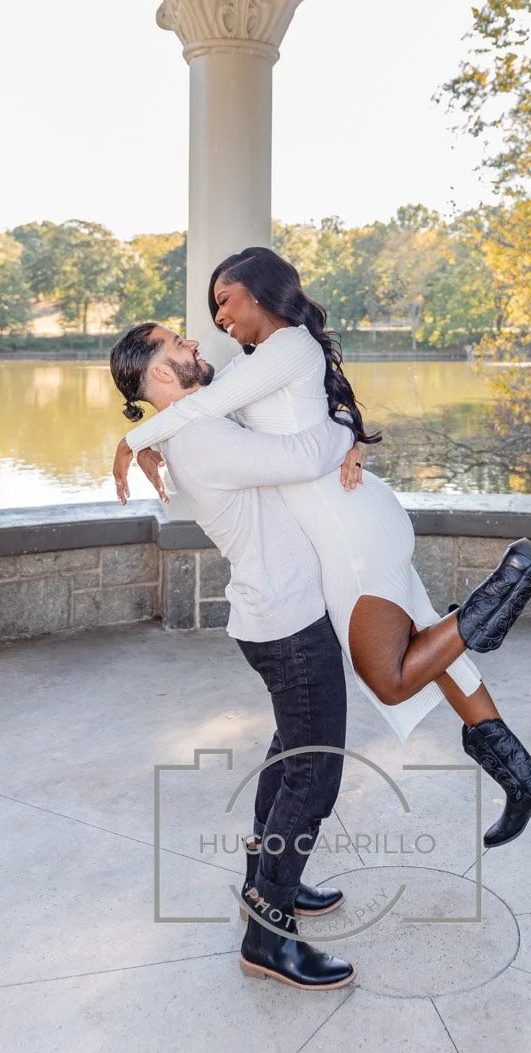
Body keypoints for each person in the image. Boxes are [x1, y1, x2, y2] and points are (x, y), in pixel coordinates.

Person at [111, 247, 531, 850]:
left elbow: (205, 409)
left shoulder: (287, 347)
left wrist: (136, 439)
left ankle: (515, 577)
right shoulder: (256, 360)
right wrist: (347, 433)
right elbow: (215, 410)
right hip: (349, 516)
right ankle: (523, 779)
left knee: (389, 677)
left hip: (347, 529)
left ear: (257, 292)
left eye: (223, 300)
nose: (217, 317)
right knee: (430, 648)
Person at [112, 321, 357, 990]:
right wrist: (348, 427)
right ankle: (267, 936)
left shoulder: (192, 426)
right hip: (287, 622)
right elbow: (307, 455)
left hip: (281, 613)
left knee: (292, 754)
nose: (194, 343)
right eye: (177, 345)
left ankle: (267, 877)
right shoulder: (199, 435)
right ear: (162, 375)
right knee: (314, 775)